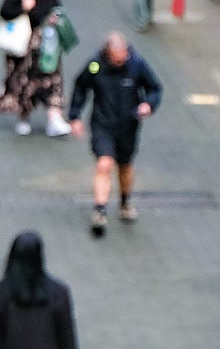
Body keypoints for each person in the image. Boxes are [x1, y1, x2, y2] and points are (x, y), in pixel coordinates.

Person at [68, 33, 162, 235]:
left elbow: (155, 88)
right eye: (116, 59)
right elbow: (81, 86)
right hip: (103, 124)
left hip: (128, 126)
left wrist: (148, 104)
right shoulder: (96, 66)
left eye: (123, 58)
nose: (120, 62)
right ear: (108, 53)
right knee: (104, 163)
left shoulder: (137, 65)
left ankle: (125, 202)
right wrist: (75, 116)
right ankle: (100, 210)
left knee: (125, 166)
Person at [0, 0, 71, 138]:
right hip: (23, 49)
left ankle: (54, 118)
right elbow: (5, 12)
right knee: (24, 82)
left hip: (46, 48)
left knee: (52, 80)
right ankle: (24, 117)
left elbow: (57, 9)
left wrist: (55, 18)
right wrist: (23, 8)